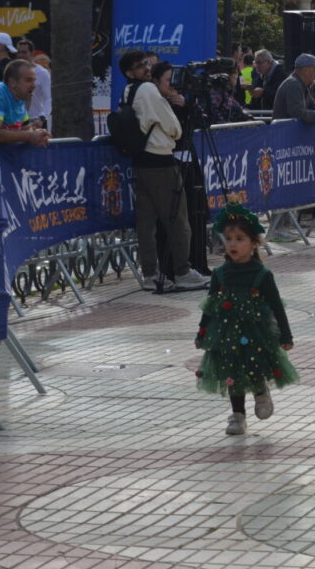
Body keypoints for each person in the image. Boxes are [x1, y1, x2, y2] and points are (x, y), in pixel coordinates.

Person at [194, 203, 298, 435]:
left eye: (240, 239)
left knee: (254, 366)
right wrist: (202, 332)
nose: (233, 244)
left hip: (256, 333)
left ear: (254, 243)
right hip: (226, 333)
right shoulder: (220, 274)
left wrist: (286, 335)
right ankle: (237, 416)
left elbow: (277, 308)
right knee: (231, 372)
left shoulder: (262, 275)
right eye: (229, 238)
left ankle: (261, 392)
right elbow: (210, 306)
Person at [118, 51, 207, 291]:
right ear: (129, 72)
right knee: (178, 219)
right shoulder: (147, 90)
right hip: (160, 161)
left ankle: (150, 274)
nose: (147, 69)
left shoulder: (128, 91)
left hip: (141, 161)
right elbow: (174, 128)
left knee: (146, 222)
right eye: (140, 66)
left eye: (147, 64)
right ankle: (182, 271)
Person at [0, 59, 50, 146]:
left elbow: (26, 129)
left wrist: (39, 134)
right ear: (12, 82)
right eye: (28, 80)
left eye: (34, 80)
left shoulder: (19, 98)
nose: (34, 85)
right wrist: (30, 135)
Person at [272, 54, 315, 123]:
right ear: (306, 71)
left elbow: (313, 105)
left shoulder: (301, 84)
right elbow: (296, 113)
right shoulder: (293, 84)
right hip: (285, 131)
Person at [16, 38, 51, 130]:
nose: (20, 55)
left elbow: (49, 98)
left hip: (36, 122)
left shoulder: (42, 73)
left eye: (24, 52)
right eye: (19, 52)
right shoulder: (14, 73)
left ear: (32, 53)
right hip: (18, 123)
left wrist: (42, 118)